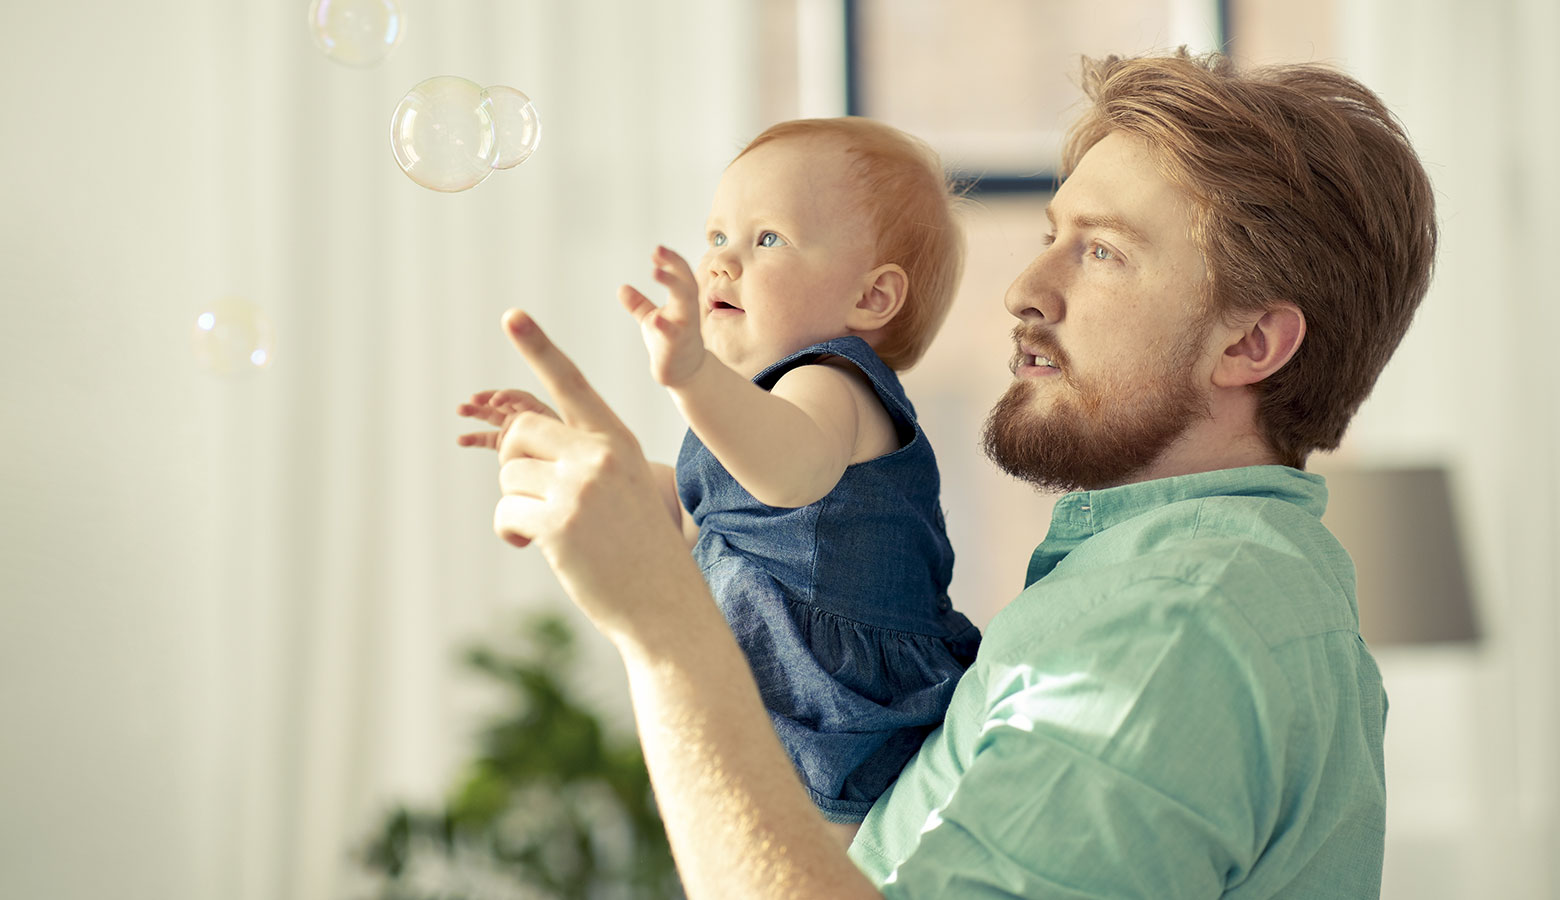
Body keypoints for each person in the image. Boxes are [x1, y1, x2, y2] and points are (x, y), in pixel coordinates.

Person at [472, 49, 1437, 898]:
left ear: (1252, 344)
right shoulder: (1187, 591)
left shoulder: (1174, 631)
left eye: (1102, 252)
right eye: (1052, 234)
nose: (1025, 289)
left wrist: (660, 627)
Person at [459, 117, 980, 835]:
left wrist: (694, 376)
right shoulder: (754, 416)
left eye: (766, 239)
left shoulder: (835, 385)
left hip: (853, 721)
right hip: (775, 714)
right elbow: (683, 506)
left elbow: (790, 473)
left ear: (871, 299)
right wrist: (567, 446)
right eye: (716, 237)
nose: (723, 262)